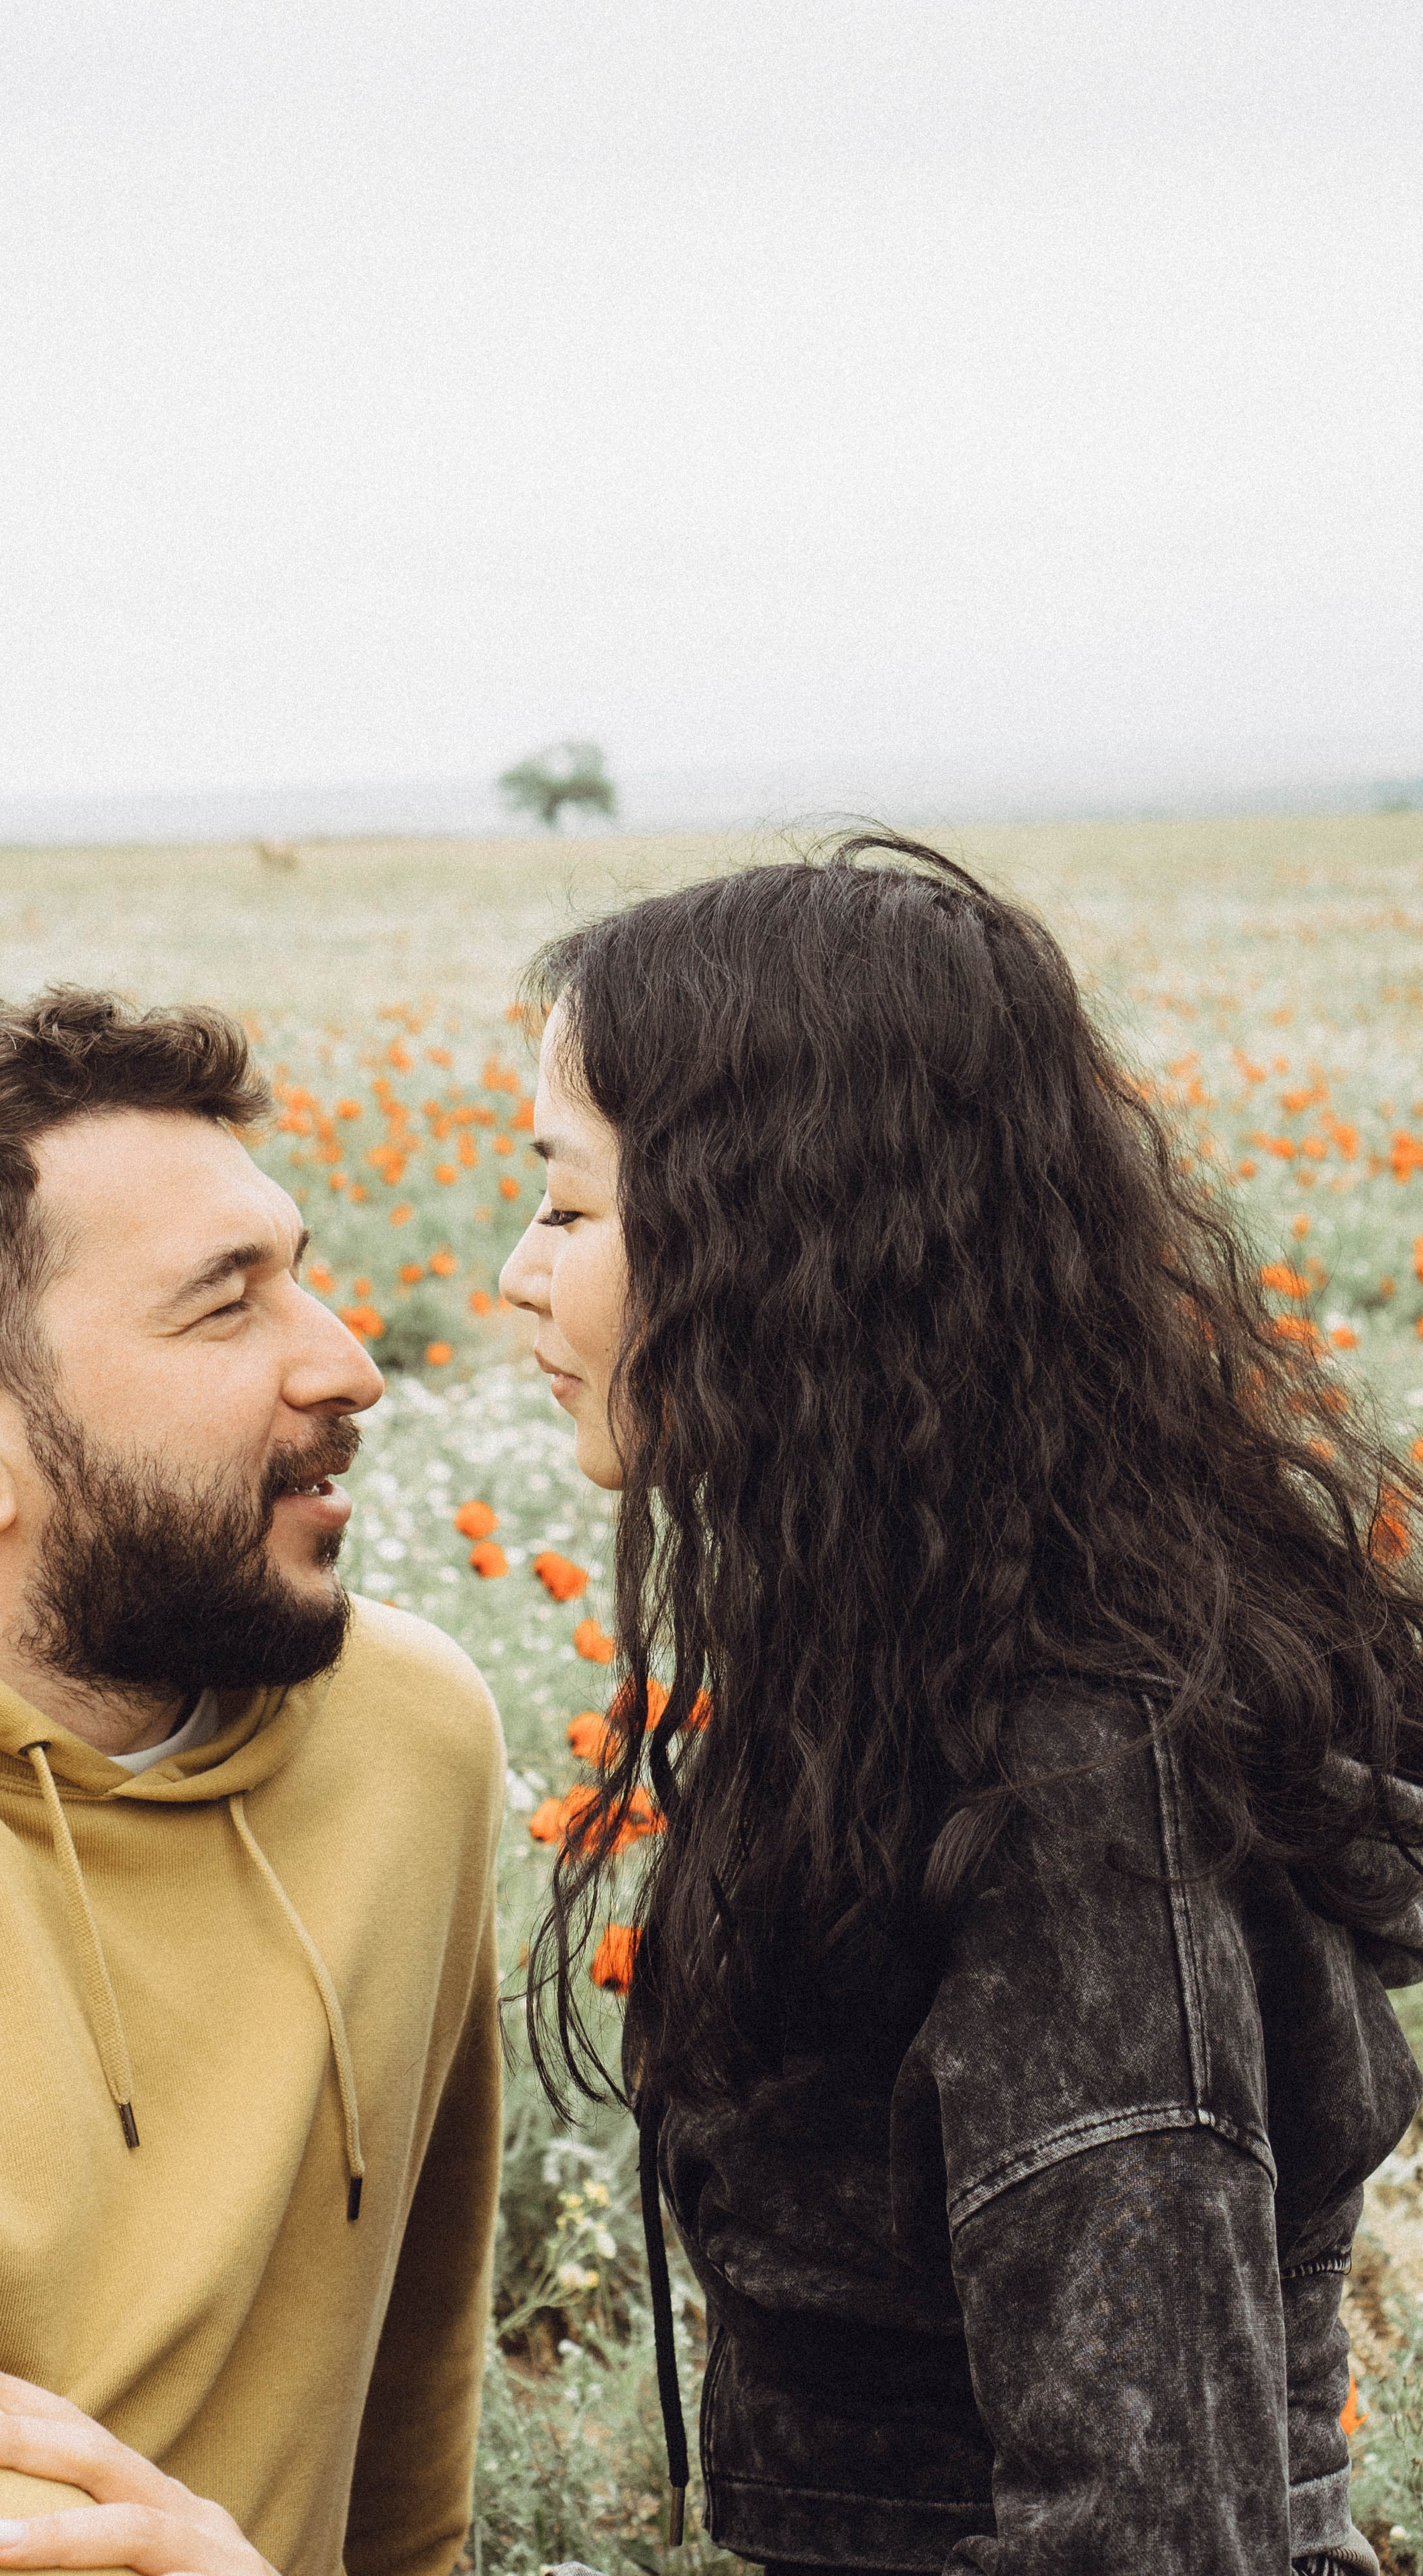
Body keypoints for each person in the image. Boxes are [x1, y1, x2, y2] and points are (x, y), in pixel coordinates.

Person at [499, 836, 1423, 2576]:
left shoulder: (1065, 1795)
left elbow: (1150, 2539)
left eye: (563, 1201)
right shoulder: (906, 1664)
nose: (514, 1274)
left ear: (775, 1239)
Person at [0, 990, 505, 2576]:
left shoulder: (404, 1733)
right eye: (226, 1309)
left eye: (304, 1277)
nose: (349, 1366)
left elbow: (408, 2467)